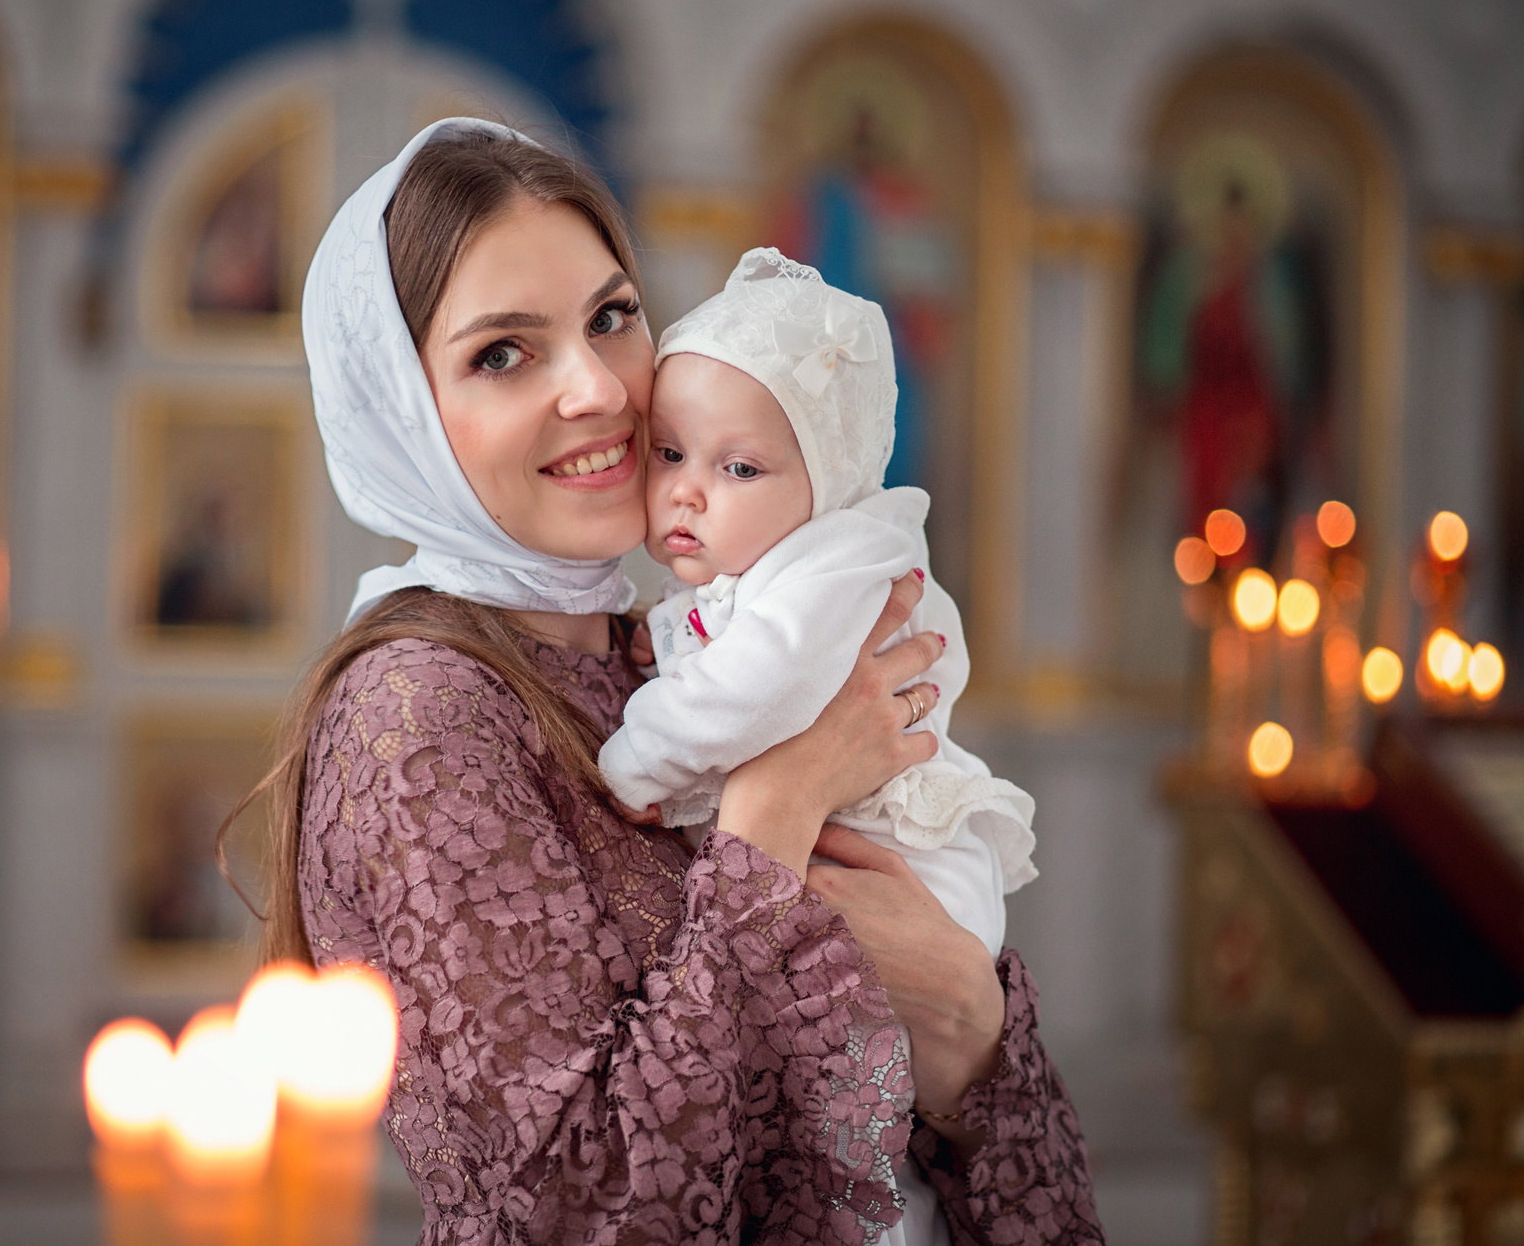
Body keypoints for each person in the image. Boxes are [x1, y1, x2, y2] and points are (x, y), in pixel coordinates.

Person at [249, 118, 1100, 1244]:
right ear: (398, 410)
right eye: (503, 352)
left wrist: (968, 1027)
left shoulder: (663, 641)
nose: (598, 389)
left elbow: (951, 1057)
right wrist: (775, 811)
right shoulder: (419, 715)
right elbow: (575, 1212)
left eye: (611, 317)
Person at [597, 246, 1041, 1244]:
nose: (686, 492)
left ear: (826, 473)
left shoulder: (840, 560)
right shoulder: (733, 576)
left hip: (908, 859)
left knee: (851, 1113)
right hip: (832, 850)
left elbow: (750, 693)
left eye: (737, 466)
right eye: (667, 453)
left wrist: (633, 761)